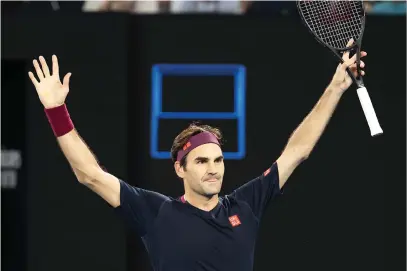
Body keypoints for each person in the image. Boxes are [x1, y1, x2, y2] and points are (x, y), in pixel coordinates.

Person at [28, 39, 366, 271]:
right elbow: (89, 174)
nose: (214, 169)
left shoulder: (245, 205)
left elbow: (298, 151)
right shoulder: (156, 212)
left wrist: (336, 86)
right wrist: (57, 110)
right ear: (180, 169)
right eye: (202, 161)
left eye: (218, 160)